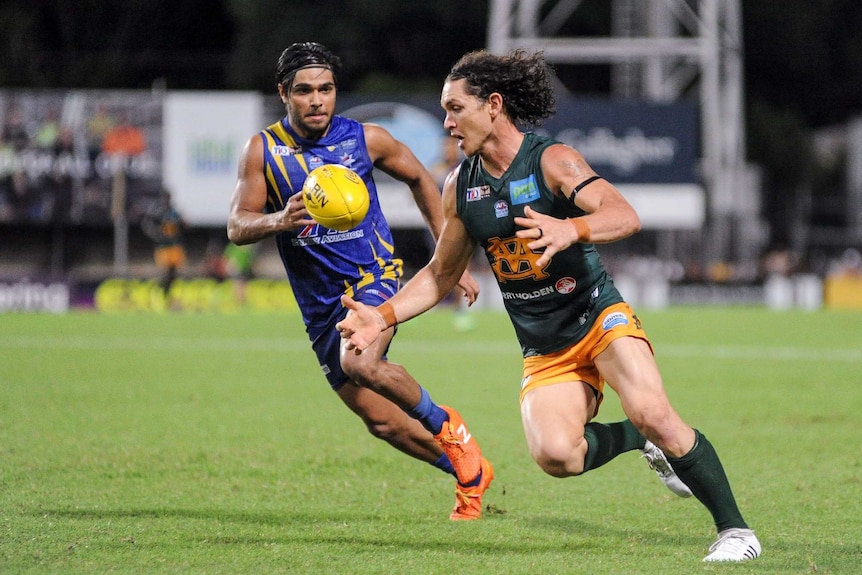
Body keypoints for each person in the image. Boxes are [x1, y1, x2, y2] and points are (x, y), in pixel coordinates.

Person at [337, 49, 761, 561]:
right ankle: (637, 442)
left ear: (493, 105)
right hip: (545, 347)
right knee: (557, 456)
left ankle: (736, 532)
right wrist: (379, 317)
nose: (447, 122)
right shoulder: (460, 185)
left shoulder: (551, 161)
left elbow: (623, 215)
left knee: (654, 411)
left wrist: (572, 227)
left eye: (455, 108)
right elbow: (440, 274)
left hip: (598, 317)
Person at [226, 42, 493, 520]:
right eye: (305, 91)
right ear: (283, 93)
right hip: (320, 307)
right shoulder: (262, 150)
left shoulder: (366, 139)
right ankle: (468, 471)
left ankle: (452, 429)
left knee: (361, 362)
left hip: (375, 278)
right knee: (381, 421)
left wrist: (445, 256)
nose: (317, 100)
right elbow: (237, 225)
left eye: (326, 89)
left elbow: (419, 177)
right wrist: (277, 222)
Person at [142, 190, 187, 305]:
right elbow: (146, 224)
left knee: (174, 274)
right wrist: (156, 234)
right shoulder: (157, 211)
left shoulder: (174, 211)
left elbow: (182, 226)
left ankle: (167, 296)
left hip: (174, 246)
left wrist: (183, 224)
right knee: (165, 272)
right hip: (163, 246)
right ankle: (158, 293)